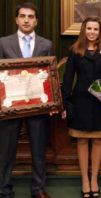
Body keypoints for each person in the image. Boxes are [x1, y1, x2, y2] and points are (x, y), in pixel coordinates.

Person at [0, 2, 54, 198]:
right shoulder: (3, 43)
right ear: (16, 19)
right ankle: (4, 188)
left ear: (36, 21)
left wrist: (51, 99)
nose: (26, 20)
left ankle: (38, 188)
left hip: (37, 106)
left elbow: (49, 75)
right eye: (23, 16)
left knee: (39, 149)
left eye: (31, 17)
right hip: (9, 107)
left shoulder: (46, 44)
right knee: (7, 150)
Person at [61, 16, 101, 198]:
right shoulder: (75, 51)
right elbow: (68, 78)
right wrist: (66, 103)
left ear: (100, 32)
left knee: (98, 140)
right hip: (80, 102)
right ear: (84, 30)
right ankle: (84, 180)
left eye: (95, 29)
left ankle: (94, 180)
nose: (92, 32)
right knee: (82, 140)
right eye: (89, 28)